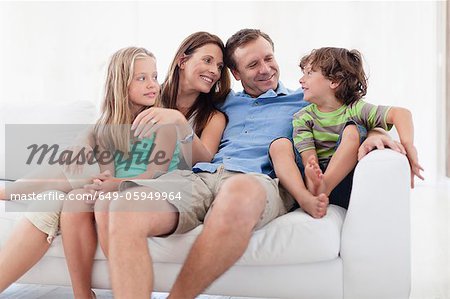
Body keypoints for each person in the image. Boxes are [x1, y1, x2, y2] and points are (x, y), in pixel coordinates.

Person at [106, 29, 407, 299]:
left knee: (239, 190)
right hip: (201, 177)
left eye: (268, 58)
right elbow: (174, 101)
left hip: (259, 182)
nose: (265, 69)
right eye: (252, 65)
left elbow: (356, 110)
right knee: (125, 206)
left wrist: (377, 134)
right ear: (235, 73)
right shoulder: (222, 102)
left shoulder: (304, 100)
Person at [0, 31, 230, 297]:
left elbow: (193, 163)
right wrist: (83, 143)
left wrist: (176, 122)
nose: (214, 71)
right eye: (208, 60)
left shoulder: (195, 117)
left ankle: (8, 191)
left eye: (220, 66)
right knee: (69, 193)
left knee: (67, 184)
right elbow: (103, 130)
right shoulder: (149, 103)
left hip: (153, 187)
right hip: (112, 178)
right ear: (182, 60)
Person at [270, 47, 424, 219]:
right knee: (279, 145)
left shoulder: (356, 109)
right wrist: (312, 174)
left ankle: (324, 187)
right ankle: (312, 192)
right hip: (311, 180)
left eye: (309, 73)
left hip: (341, 182)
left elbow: (402, 113)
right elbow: (308, 158)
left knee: (352, 130)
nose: (301, 80)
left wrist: (408, 145)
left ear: (334, 81)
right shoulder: (303, 117)